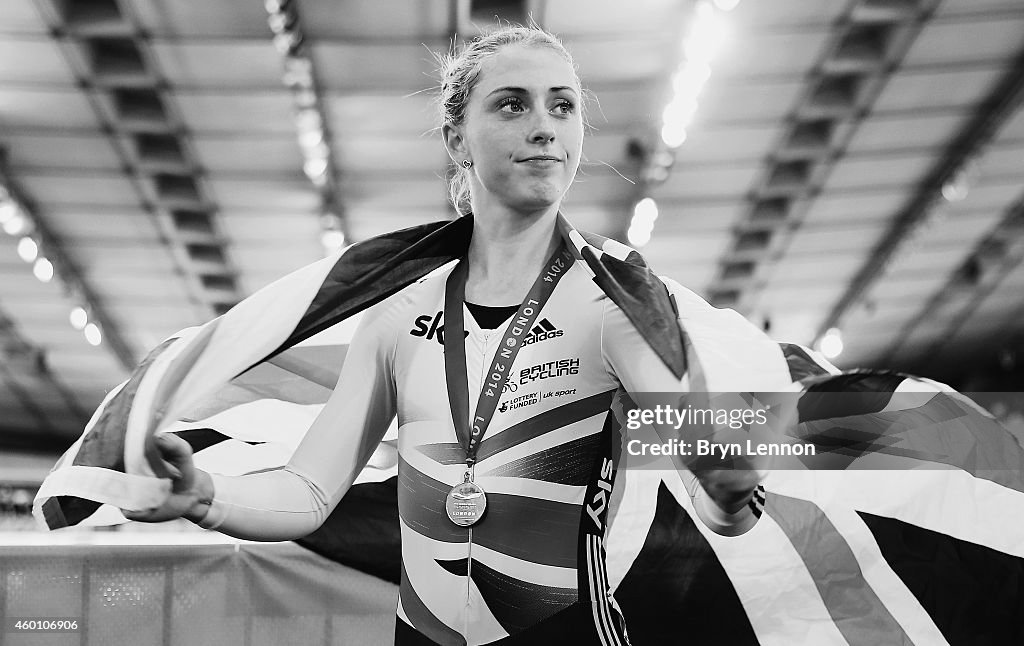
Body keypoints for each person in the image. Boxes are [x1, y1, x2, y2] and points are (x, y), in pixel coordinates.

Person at [124, 25, 779, 645]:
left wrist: (727, 489)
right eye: (512, 106)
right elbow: (308, 491)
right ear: (457, 140)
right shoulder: (398, 317)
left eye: (563, 107)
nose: (544, 128)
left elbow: (701, 460)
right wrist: (203, 496)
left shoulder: (611, 302)